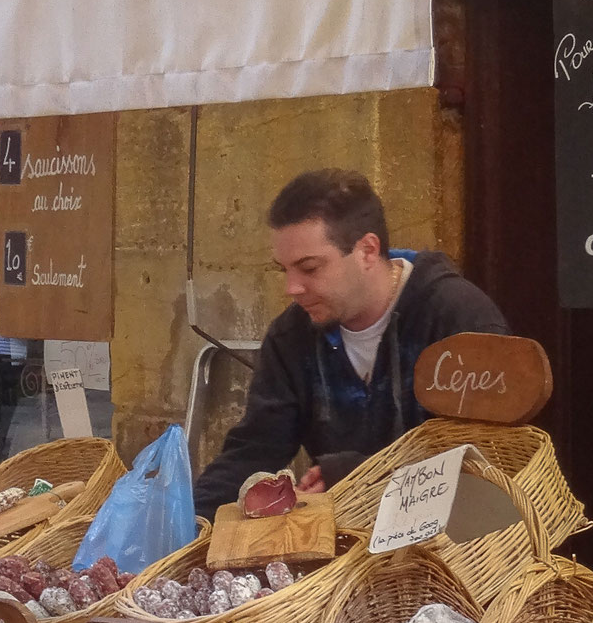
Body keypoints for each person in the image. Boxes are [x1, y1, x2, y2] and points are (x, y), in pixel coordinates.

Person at [192, 169, 510, 520]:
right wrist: (186, 526)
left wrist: (358, 475)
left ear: (367, 250)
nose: (291, 288)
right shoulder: (291, 337)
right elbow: (254, 450)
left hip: (460, 547)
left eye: (309, 268)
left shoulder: (461, 320)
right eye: (284, 270)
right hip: (342, 549)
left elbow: (491, 461)